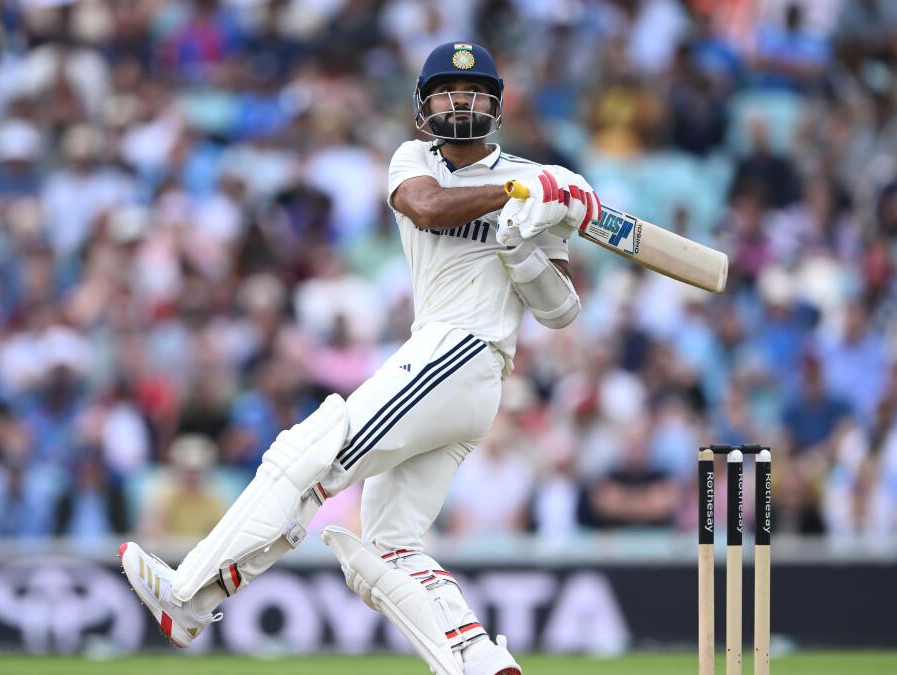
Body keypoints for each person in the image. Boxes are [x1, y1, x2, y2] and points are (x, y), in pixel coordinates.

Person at [118, 41, 600, 675]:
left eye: (475, 92)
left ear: (497, 104)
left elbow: (561, 310)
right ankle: (478, 663)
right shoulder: (414, 162)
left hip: (467, 355)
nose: (462, 103)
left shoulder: (544, 184)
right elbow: (427, 208)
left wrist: (524, 244)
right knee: (387, 547)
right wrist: (516, 194)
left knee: (310, 453)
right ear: (425, 106)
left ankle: (190, 596)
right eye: (448, 94)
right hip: (448, 363)